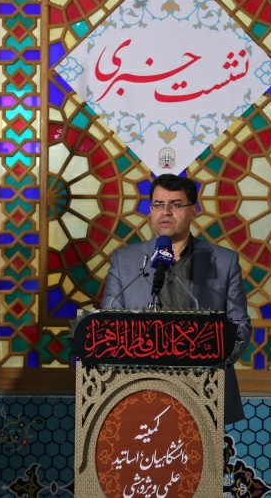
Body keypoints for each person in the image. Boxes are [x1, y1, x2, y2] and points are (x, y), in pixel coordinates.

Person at [102, 173, 252, 424]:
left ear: (193, 211)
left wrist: (212, 361)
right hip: (139, 390)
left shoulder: (224, 261)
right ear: (151, 210)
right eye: (159, 204)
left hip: (204, 390)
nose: (166, 211)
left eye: (175, 204)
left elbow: (241, 327)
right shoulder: (124, 260)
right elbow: (109, 325)